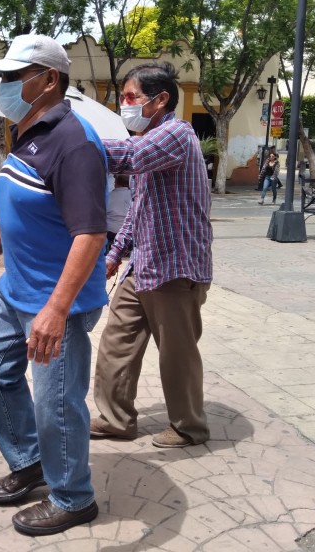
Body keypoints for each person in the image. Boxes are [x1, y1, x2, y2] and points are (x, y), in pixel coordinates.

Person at [0, 34, 108, 537]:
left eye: (16, 76)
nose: (5, 85)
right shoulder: (27, 134)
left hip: (53, 302)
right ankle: (33, 459)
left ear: (48, 80)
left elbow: (90, 234)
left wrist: (56, 310)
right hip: (13, 292)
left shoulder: (75, 144)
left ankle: (73, 496)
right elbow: (16, 214)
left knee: (57, 402)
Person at [90, 61, 212, 450]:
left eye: (130, 97)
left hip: (176, 268)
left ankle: (189, 426)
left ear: (160, 100)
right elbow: (137, 211)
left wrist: (71, 146)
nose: (124, 104)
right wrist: (115, 254)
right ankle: (115, 419)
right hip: (141, 266)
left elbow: (126, 157)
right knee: (116, 344)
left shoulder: (175, 135)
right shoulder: (149, 144)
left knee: (177, 355)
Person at [106, 175, 131, 253]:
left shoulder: (109, 196)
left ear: (116, 182)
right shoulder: (134, 195)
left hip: (111, 232)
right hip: (128, 232)